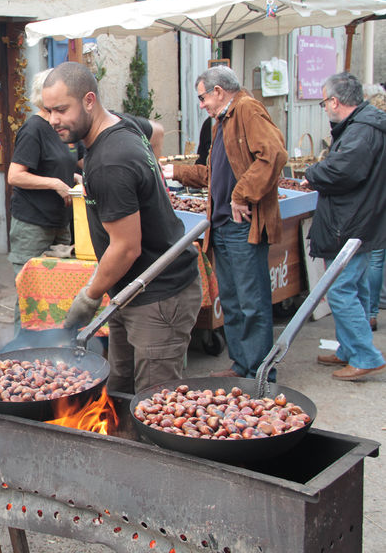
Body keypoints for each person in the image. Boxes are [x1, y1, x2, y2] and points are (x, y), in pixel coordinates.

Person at [44, 62, 202, 394]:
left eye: (61, 109)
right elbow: (155, 131)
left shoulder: (110, 162)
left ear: (89, 100)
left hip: (158, 294)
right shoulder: (121, 123)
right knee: (118, 385)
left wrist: (88, 296)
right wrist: (150, 181)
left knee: (154, 401)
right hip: (128, 291)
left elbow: (126, 247)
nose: (53, 120)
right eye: (49, 110)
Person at [162, 66, 287, 380]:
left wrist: (242, 194)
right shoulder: (222, 121)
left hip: (242, 225)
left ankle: (259, 375)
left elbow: (273, 154)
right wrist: (173, 171)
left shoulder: (246, 109)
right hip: (222, 226)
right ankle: (242, 366)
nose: (201, 104)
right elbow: (212, 174)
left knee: (252, 303)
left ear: (219, 91)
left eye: (203, 97)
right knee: (231, 301)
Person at [303, 72, 386, 381]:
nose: (325, 108)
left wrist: (313, 173)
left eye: (325, 102)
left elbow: (344, 171)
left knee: (339, 290)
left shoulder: (362, 129)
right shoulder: (365, 124)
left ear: (335, 101)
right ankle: (350, 349)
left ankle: (366, 355)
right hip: (359, 218)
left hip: (351, 221)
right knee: (356, 288)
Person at [7, 69, 78, 276]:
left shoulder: (65, 128)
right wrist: (56, 183)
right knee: (31, 291)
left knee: (60, 291)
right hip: (33, 224)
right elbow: (15, 176)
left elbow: (71, 162)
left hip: (61, 222)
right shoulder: (33, 129)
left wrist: (77, 178)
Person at [362, 84, 386, 332]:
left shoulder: (370, 132)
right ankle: (372, 310)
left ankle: (370, 312)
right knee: (379, 258)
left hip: (375, 200)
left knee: (374, 258)